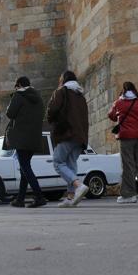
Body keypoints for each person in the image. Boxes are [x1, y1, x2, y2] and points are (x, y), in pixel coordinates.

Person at [108, 82, 138, 204]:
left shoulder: (119, 103)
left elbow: (111, 115)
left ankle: (128, 194)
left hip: (126, 137)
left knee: (127, 165)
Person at [46, 70, 90, 208]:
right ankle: (71, 197)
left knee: (58, 162)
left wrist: (51, 120)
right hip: (80, 135)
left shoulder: (61, 92)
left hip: (66, 133)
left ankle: (78, 186)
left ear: (64, 79)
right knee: (71, 164)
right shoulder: (80, 95)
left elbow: (51, 110)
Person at [6, 76, 47, 208]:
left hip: (21, 137)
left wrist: (12, 99)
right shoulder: (38, 97)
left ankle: (39, 196)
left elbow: (10, 113)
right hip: (34, 137)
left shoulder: (19, 95)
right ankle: (20, 199)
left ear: (18, 85)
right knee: (25, 167)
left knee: (25, 167)